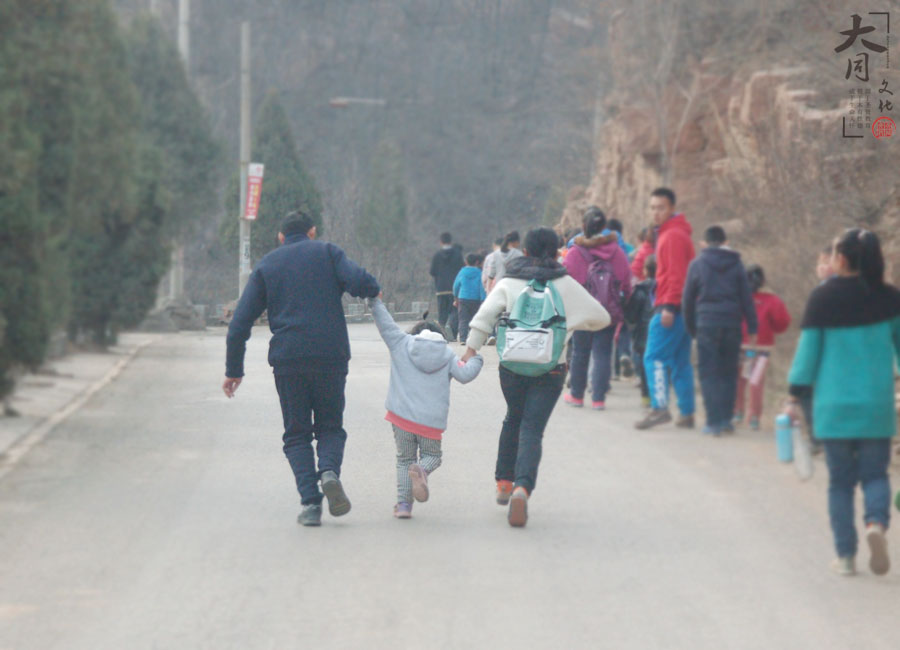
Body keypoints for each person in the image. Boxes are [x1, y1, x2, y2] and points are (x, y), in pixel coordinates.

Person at [223, 211, 380, 527]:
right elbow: (362, 282)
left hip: (289, 358)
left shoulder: (267, 265)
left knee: (296, 433)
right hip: (330, 355)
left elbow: (239, 323)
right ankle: (329, 471)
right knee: (330, 426)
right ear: (312, 232)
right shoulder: (328, 252)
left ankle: (310, 503)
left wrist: (234, 369)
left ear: (281, 237)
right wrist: (372, 290)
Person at [461, 227, 610, 527]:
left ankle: (504, 482)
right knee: (532, 428)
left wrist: (470, 349)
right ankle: (522, 488)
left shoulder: (509, 281)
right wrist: (569, 326)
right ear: (557, 253)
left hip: (512, 366)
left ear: (525, 252)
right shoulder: (565, 284)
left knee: (513, 418)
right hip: (550, 368)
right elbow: (601, 317)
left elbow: (484, 317)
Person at [787, 228, 900, 577]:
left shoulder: (823, 298)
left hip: (834, 409)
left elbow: (807, 354)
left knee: (840, 483)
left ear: (842, 259)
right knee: (875, 475)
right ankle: (875, 523)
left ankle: (846, 556)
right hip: (876, 406)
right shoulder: (890, 298)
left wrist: (794, 394)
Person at [370, 297, 483, 519]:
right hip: (430, 424)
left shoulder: (401, 343)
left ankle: (404, 506)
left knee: (404, 460)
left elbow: (385, 323)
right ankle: (422, 469)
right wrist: (476, 359)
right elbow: (465, 374)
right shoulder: (447, 355)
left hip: (401, 418)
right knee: (432, 456)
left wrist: (375, 301)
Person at [681, 225, 758, 435]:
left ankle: (713, 421)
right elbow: (746, 297)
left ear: (704, 243)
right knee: (728, 372)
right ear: (725, 242)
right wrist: (752, 326)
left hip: (706, 323)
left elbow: (687, 300)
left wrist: (691, 327)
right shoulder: (737, 264)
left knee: (709, 373)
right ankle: (726, 420)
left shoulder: (697, 264)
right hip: (732, 323)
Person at [635, 188, 697, 430]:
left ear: (672, 208)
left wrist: (669, 306)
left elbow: (675, 276)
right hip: (684, 307)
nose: (656, 212)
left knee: (654, 357)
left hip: (671, 306)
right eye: (652, 208)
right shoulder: (676, 233)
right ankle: (687, 412)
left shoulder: (671, 236)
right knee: (680, 361)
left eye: (661, 208)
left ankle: (659, 408)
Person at [562, 208, 633, 409]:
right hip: (607, 310)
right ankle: (598, 399)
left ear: (583, 226)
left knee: (580, 352)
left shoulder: (575, 252)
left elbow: (565, 280)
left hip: (582, 309)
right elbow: (626, 280)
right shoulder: (616, 251)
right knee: (603, 353)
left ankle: (576, 396)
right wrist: (624, 301)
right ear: (604, 227)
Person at [734, 264, 791, 430]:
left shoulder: (738, 297)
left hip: (741, 345)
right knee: (756, 381)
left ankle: (737, 412)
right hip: (762, 348)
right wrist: (773, 329)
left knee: (740, 380)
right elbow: (782, 322)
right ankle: (754, 417)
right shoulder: (772, 300)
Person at [624, 254, 657, 408]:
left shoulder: (640, 289)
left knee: (645, 366)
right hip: (661, 333)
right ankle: (658, 395)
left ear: (645, 270)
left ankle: (646, 397)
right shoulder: (665, 288)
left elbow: (631, 315)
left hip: (643, 334)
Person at [430, 232, 465, 335]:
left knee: (442, 313)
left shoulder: (437, 255)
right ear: (451, 241)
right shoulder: (458, 254)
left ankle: (441, 332)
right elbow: (462, 270)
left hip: (441, 289)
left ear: (441, 242)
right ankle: (452, 333)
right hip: (455, 289)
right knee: (454, 311)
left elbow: (432, 272)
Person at [453, 253, 487, 345]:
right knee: (475, 319)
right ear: (477, 262)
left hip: (463, 298)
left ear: (465, 262)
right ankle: (474, 339)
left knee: (463, 319)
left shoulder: (462, 272)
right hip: (476, 300)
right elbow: (482, 287)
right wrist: (483, 299)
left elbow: (456, 286)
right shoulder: (479, 273)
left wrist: (456, 298)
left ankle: (463, 339)